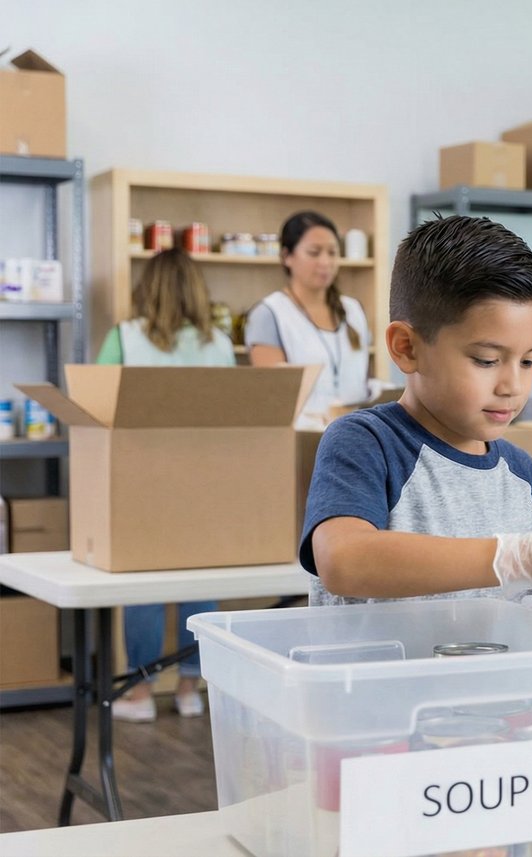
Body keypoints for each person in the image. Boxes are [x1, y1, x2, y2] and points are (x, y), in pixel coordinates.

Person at [300, 216, 532, 606]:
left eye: (528, 362)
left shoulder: (520, 473)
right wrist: (519, 555)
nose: (512, 386)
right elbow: (344, 561)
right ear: (406, 347)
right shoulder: (367, 442)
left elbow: (522, 602)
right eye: (487, 360)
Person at [97, 248, 234, 721]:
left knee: (144, 587)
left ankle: (139, 694)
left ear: (146, 289)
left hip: (141, 480)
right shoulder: (218, 343)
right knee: (201, 585)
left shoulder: (124, 337)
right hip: (208, 478)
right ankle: (190, 690)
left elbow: (96, 406)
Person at [246, 211, 371, 423]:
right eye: (314, 253)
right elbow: (276, 399)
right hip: (301, 441)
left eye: (332, 252)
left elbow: (362, 382)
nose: (325, 262)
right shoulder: (269, 313)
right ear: (287, 257)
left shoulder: (353, 310)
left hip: (356, 435)